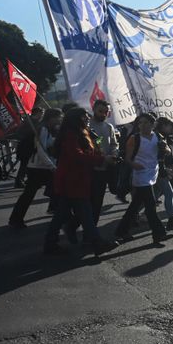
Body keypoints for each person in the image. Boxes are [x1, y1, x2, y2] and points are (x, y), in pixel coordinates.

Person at [43, 108, 118, 256]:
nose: (88, 118)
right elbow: (77, 156)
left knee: (61, 215)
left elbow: (94, 148)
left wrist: (103, 154)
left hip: (81, 178)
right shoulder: (70, 134)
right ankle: (96, 243)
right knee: (86, 213)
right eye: (85, 117)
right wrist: (102, 159)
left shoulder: (87, 131)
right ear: (76, 118)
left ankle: (51, 242)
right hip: (72, 179)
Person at [114, 112, 173, 245]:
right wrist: (135, 165)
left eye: (146, 122)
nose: (143, 125)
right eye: (140, 123)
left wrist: (165, 149)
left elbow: (167, 150)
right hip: (140, 175)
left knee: (134, 206)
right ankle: (159, 234)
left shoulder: (157, 136)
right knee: (150, 205)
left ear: (153, 125)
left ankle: (121, 231)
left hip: (153, 173)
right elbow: (128, 159)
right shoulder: (134, 138)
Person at [9, 108, 61, 229]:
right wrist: (52, 166)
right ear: (52, 118)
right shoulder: (43, 128)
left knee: (56, 190)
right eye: (58, 117)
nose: (59, 120)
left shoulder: (48, 129)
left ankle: (60, 213)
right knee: (30, 194)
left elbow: (47, 145)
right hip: (38, 167)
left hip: (42, 166)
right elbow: (41, 150)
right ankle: (15, 219)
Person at [88, 99, 118, 224]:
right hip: (90, 169)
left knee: (98, 201)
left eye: (106, 112)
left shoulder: (108, 126)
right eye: (100, 111)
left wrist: (114, 153)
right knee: (89, 202)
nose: (103, 114)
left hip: (105, 168)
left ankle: (90, 230)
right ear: (94, 109)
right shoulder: (87, 126)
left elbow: (114, 144)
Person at [13, 106, 44, 188]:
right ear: (37, 113)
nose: (42, 115)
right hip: (25, 146)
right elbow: (19, 133)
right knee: (24, 165)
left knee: (31, 164)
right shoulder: (28, 122)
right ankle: (19, 181)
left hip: (32, 146)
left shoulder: (38, 122)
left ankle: (30, 180)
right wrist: (30, 133)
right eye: (41, 113)